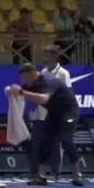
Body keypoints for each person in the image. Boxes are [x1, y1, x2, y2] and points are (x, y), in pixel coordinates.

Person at [13, 62, 84, 187]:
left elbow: (44, 99)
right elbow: (19, 90)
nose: (23, 81)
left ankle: (77, 174)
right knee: (45, 142)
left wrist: (21, 92)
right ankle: (41, 176)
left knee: (65, 139)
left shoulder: (48, 80)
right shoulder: (32, 83)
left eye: (25, 78)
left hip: (69, 112)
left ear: (32, 73)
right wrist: (11, 90)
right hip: (54, 113)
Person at [27, 47, 70, 180]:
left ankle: (55, 172)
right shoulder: (42, 73)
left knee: (55, 144)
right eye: (45, 55)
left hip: (56, 113)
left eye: (48, 55)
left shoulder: (63, 73)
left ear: (55, 56)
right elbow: (38, 92)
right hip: (41, 112)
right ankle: (38, 172)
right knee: (39, 143)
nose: (45, 58)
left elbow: (67, 93)